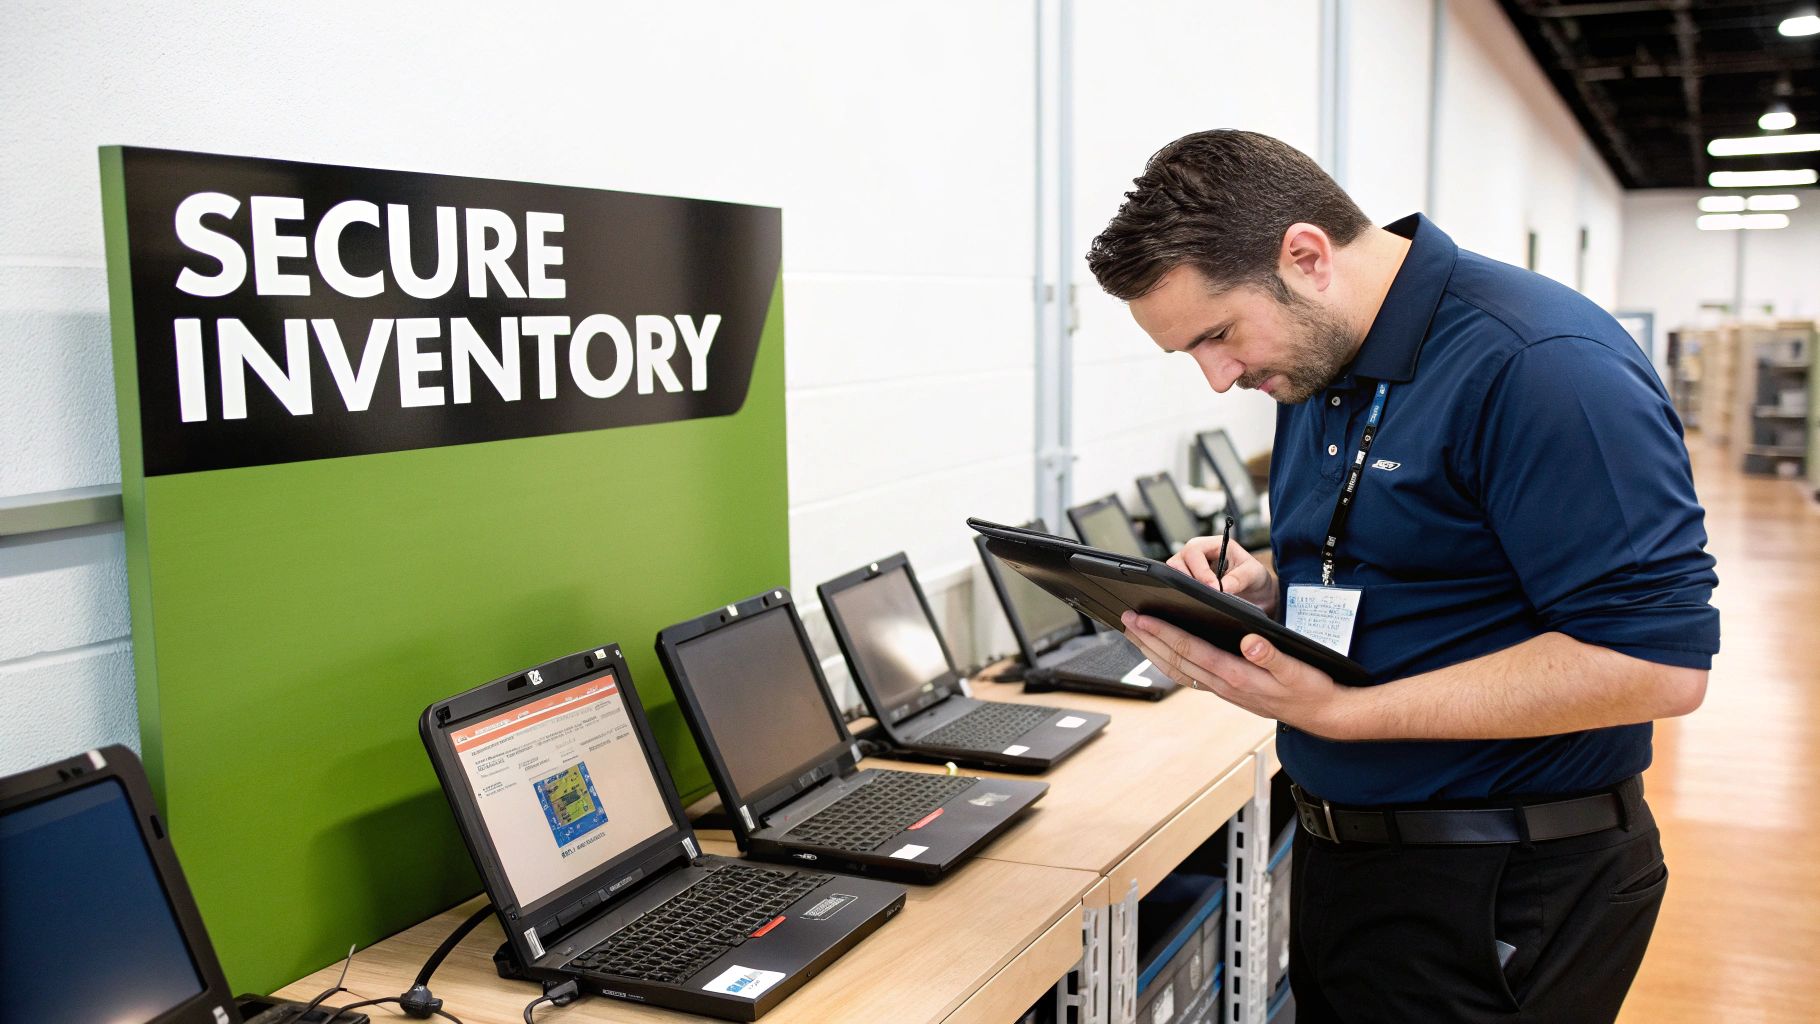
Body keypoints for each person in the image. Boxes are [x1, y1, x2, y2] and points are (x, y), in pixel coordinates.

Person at [1086, 130, 1719, 1022]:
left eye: (1219, 336)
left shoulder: (1543, 365)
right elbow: (1401, 559)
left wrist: (1342, 713)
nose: (1219, 379)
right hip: (1353, 860)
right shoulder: (1320, 363)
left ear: (1305, 257)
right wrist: (1263, 588)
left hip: (1502, 882)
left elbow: (1655, 663)